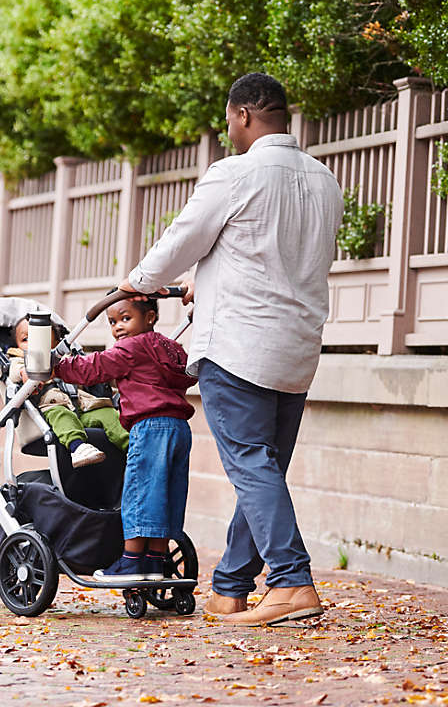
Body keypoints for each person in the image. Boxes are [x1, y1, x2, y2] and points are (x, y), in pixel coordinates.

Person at [119, 71, 343, 626]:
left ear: (243, 114)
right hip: (295, 350)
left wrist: (136, 282)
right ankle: (231, 588)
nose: (228, 131)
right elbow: (278, 259)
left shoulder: (235, 174)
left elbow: (181, 242)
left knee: (251, 466)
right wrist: (211, 279)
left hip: (240, 346)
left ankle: (291, 582)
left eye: (228, 121)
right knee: (262, 468)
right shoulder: (324, 180)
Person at [52, 297, 196, 582]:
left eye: (125, 318)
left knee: (140, 493)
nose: (118, 327)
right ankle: (155, 560)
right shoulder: (173, 349)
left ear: (150, 317)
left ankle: (131, 560)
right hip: (178, 428)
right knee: (166, 494)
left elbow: (95, 367)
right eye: (112, 322)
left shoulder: (132, 347)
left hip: (149, 426)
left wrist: (57, 366)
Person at [9, 316, 129, 468]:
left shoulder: (67, 357)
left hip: (84, 406)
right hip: (53, 406)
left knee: (108, 414)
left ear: (55, 341)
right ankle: (78, 447)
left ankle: (132, 448)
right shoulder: (20, 359)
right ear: (17, 345)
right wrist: (24, 372)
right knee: (62, 416)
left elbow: (86, 372)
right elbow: (14, 370)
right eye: (26, 339)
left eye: (42, 336)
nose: (34, 343)